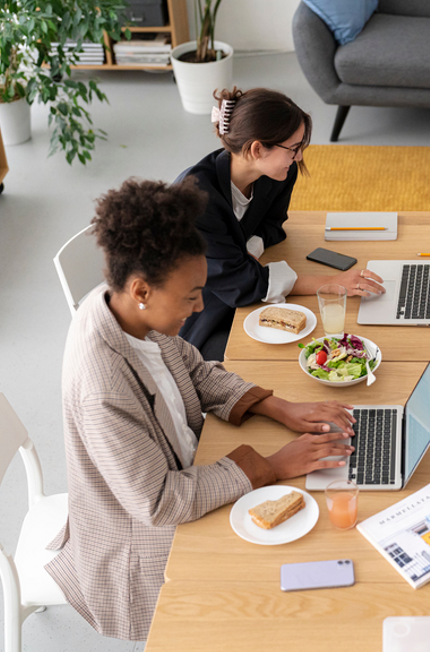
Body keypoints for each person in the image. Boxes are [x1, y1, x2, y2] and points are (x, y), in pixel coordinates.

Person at [46, 178, 358, 641]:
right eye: (190, 295)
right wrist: (271, 466)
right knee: (287, 589)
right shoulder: (102, 387)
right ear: (142, 290)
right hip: (141, 542)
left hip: (189, 467)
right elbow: (160, 502)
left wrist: (279, 407)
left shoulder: (126, 308)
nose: (198, 307)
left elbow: (194, 369)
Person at [177, 87, 384, 360]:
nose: (298, 157)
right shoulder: (195, 201)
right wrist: (333, 282)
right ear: (257, 149)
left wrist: (248, 250)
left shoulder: (278, 173)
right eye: (293, 149)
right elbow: (242, 285)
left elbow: (273, 225)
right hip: (200, 310)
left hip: (239, 284)